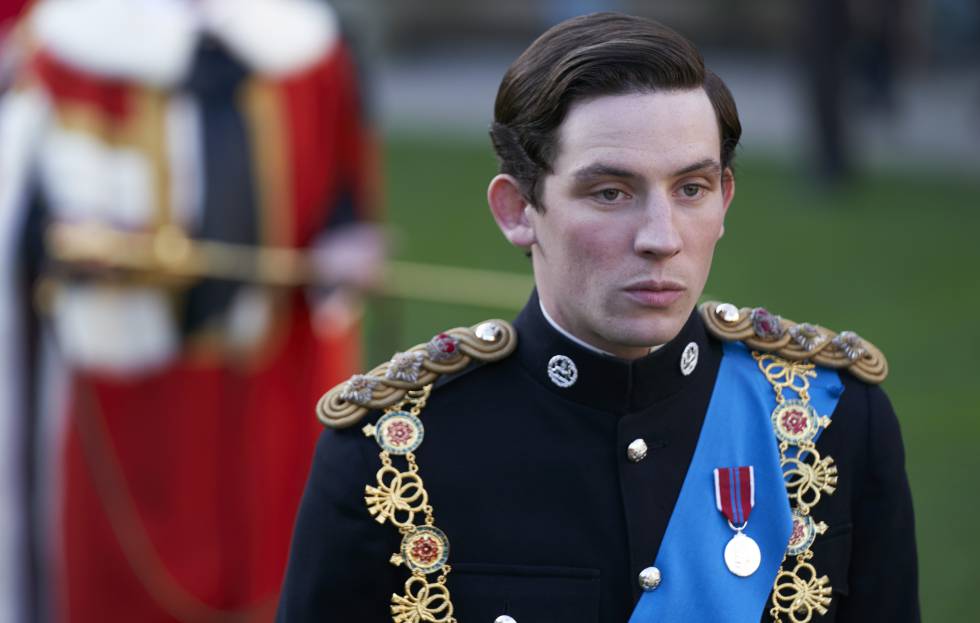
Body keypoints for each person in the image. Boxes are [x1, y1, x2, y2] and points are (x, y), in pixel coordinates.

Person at [277, 12, 918, 623]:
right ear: (517, 210)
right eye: (610, 192)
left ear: (724, 201)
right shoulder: (392, 455)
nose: (660, 237)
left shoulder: (834, 420)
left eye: (690, 189)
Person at [0, 1, 382, 621]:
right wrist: (64, 241)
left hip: (271, 375)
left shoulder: (307, 44)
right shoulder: (66, 48)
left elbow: (344, 182)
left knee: (284, 560)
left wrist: (346, 244)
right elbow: (19, 202)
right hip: (123, 386)